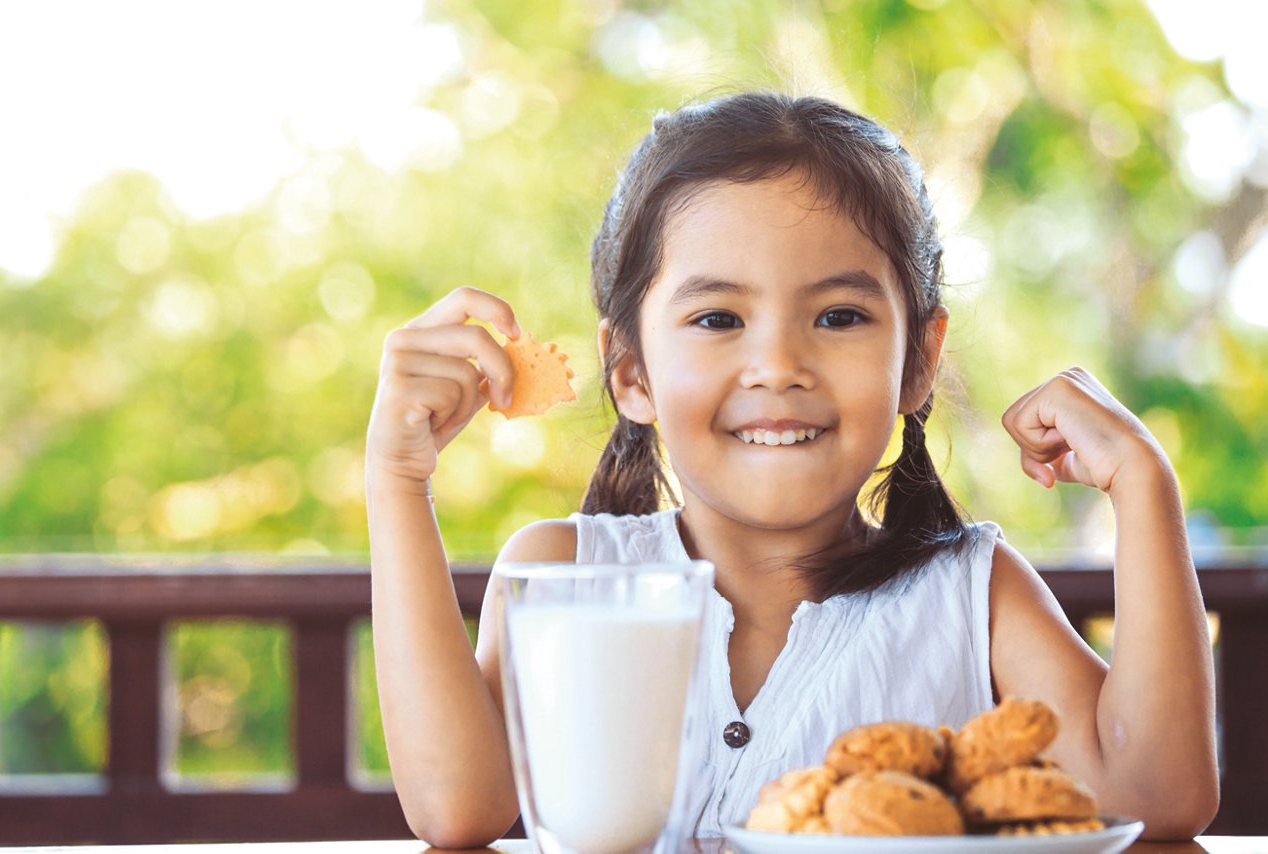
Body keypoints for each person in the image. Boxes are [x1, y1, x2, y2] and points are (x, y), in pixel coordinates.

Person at [365, 91, 1218, 846]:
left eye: (840, 315)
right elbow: (456, 808)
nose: (778, 364)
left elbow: (1156, 797)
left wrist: (1145, 489)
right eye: (717, 318)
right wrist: (398, 482)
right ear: (631, 373)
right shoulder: (566, 578)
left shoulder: (972, 594)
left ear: (918, 363)